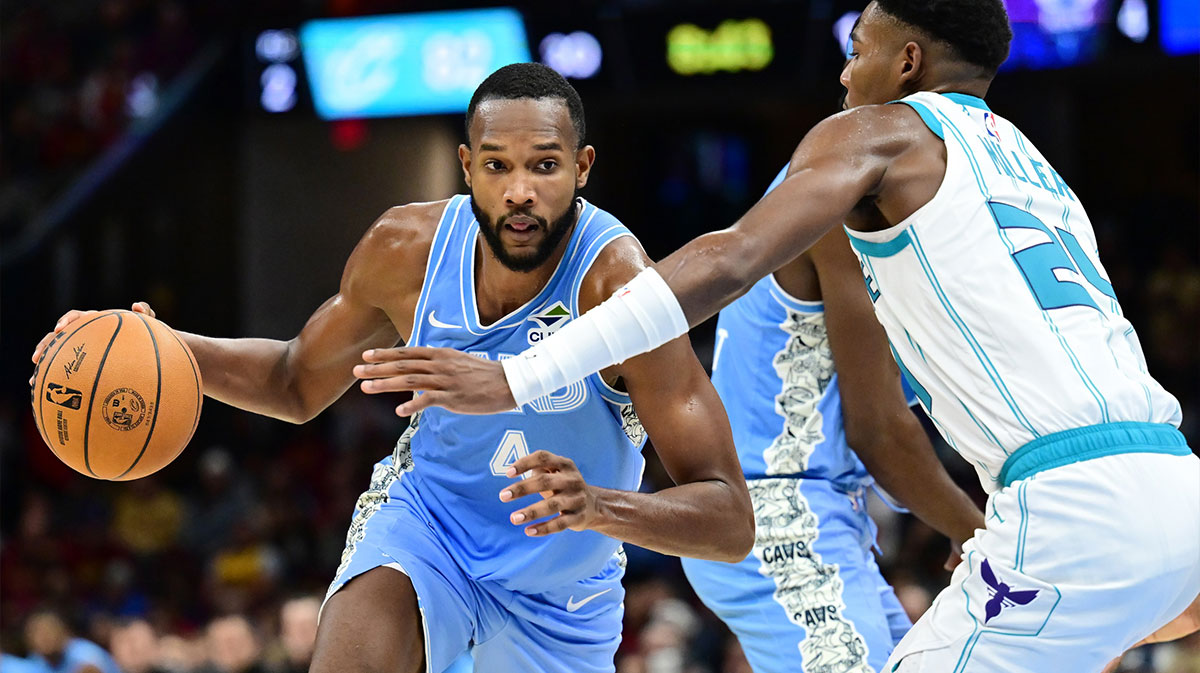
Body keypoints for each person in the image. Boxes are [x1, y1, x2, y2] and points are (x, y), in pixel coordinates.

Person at [378, 2, 1200, 670]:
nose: (845, 72)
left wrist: (522, 374)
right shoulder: (1035, 169)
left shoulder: (875, 136)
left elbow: (730, 258)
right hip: (1170, 478)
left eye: (859, 47)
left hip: (1042, 499)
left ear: (906, 63)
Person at [31, 62, 752, 673]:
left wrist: (598, 506)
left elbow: (728, 515)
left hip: (562, 595)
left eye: (544, 165)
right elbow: (294, 380)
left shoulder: (620, 288)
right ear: (466, 165)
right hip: (428, 531)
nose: (519, 191)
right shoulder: (405, 251)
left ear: (582, 168)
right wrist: (161, 348)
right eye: (497, 165)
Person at [678, 163, 984, 671]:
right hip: (778, 514)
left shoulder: (886, 216)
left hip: (822, 515)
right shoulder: (839, 204)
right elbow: (879, 434)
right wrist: (976, 533)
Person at [23, 610, 120, 673]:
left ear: (63, 633)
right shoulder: (35, 659)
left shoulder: (84, 654)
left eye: (48, 632)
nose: (43, 639)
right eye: (37, 634)